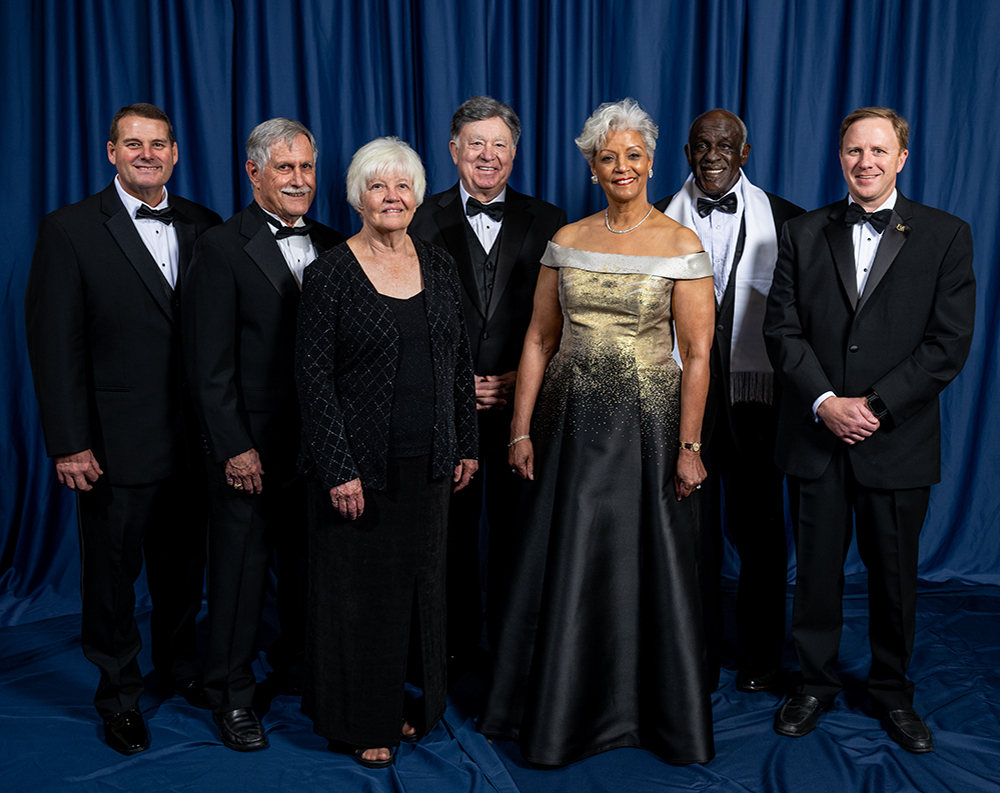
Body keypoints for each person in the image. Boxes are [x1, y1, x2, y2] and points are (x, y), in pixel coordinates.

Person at [478, 99, 716, 766]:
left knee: (646, 562)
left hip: (649, 426)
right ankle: (553, 705)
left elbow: (697, 354)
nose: (622, 166)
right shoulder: (568, 240)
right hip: (569, 427)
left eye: (633, 155)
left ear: (650, 161)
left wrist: (691, 445)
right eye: (608, 156)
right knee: (566, 558)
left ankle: (641, 711)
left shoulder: (681, 244)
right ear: (591, 166)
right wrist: (520, 428)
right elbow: (537, 338)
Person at [764, 107, 975, 753]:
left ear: (902, 157)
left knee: (894, 576)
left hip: (897, 438)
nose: (866, 162)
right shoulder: (801, 232)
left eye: (879, 150)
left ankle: (891, 691)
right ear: (841, 156)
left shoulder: (946, 234)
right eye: (855, 150)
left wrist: (875, 406)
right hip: (817, 433)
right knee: (817, 572)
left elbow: (948, 343)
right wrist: (826, 400)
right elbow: (781, 329)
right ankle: (814, 684)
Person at [24, 103, 221, 755]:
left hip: (193, 441)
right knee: (112, 576)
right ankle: (118, 696)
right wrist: (69, 440)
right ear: (111, 152)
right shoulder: (70, 229)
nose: (146, 154)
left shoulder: (203, 223)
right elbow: (55, 344)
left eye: (157, 144)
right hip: (110, 442)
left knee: (182, 569)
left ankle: (182, 668)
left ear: (174, 152)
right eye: (132, 144)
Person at [295, 137, 478, 769]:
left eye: (402, 186)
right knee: (361, 596)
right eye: (379, 186)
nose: (392, 197)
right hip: (359, 469)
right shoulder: (330, 273)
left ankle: (414, 707)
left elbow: (458, 363)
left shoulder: (438, 263)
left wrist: (465, 443)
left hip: (430, 462)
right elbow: (312, 380)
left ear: (417, 194)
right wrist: (338, 468)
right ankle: (359, 720)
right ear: (359, 197)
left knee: (422, 590)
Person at [183, 118, 345, 752]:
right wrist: (233, 446)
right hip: (250, 447)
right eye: (285, 168)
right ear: (253, 173)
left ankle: (300, 672)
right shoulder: (221, 248)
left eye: (306, 167)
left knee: (309, 570)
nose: (300, 180)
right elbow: (207, 364)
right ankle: (229, 694)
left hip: (319, 447)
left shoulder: (336, 243)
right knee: (241, 574)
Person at [409, 96, 566, 673]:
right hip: (442, 413)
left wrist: (519, 381)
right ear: (453, 150)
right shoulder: (418, 218)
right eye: (476, 143)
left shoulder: (550, 221)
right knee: (445, 539)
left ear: (515, 153)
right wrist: (457, 386)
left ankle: (514, 654)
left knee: (519, 536)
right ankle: (446, 653)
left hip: (524, 410)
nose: (488, 155)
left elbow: (565, 324)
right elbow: (403, 321)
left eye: (500, 144)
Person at [655, 109, 804, 693]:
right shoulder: (653, 219)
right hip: (676, 398)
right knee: (686, 533)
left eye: (725, 145)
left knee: (761, 533)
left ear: (745, 153)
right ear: (686, 153)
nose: (712, 155)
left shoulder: (788, 220)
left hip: (756, 403)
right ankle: (693, 649)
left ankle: (763, 656)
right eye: (700, 146)